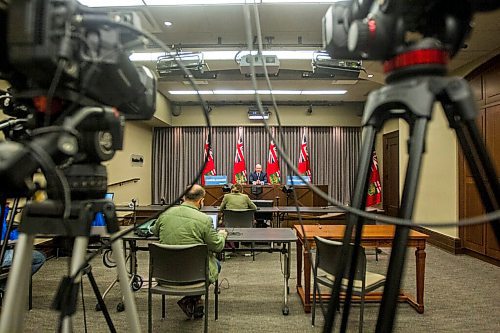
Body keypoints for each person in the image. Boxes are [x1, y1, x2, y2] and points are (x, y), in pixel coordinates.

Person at [152, 184, 227, 319]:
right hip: (194, 275)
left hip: (165, 273)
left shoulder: (165, 214)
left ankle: (194, 300)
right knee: (216, 264)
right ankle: (192, 298)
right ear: (200, 201)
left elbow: (154, 231)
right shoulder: (205, 220)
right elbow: (217, 247)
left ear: (184, 197)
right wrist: (222, 234)